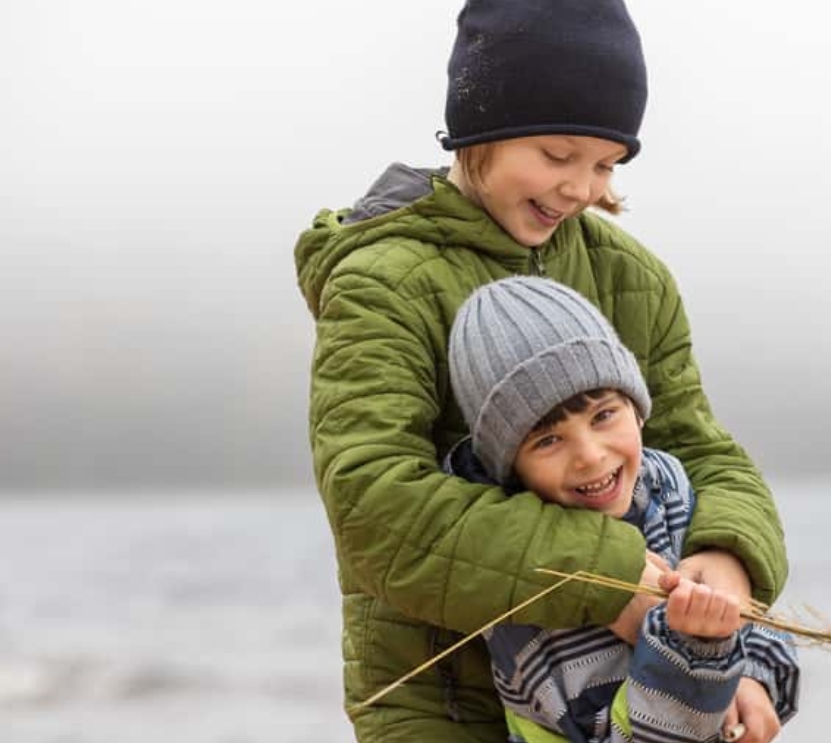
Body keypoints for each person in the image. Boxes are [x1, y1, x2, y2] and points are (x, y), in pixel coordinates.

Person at [294, 1, 788, 741]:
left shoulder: (630, 276)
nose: (581, 188)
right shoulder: (384, 282)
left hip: (637, 697)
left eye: (604, 163)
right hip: (445, 705)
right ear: (478, 133)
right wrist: (611, 579)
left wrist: (726, 607)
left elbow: (701, 449)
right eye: (557, 156)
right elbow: (373, 504)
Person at [442, 276, 799, 743]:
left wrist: (752, 676)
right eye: (548, 440)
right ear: (512, 469)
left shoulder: (666, 483)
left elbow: (754, 623)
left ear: (638, 408)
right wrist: (697, 654)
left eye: (603, 415)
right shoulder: (534, 589)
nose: (590, 455)